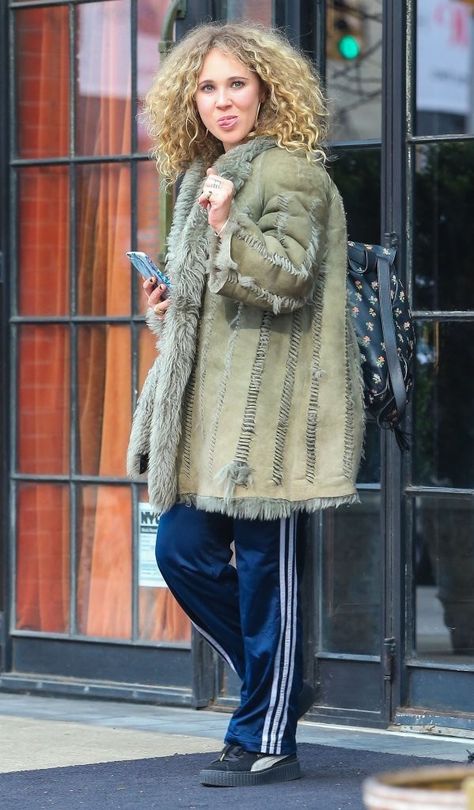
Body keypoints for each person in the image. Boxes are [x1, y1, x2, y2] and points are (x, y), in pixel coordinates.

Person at [127, 22, 364, 787]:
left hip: (273, 417)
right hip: (210, 418)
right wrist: (166, 307)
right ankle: (280, 683)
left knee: (269, 577)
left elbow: (288, 281)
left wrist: (231, 226)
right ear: (189, 101)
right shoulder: (205, 175)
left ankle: (267, 735)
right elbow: (216, 310)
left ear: (265, 90)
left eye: (236, 84)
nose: (222, 100)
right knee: (180, 550)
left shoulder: (290, 174)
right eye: (207, 87)